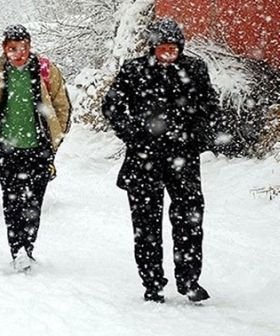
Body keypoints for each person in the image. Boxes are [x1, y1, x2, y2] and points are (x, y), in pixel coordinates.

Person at [101, 18, 217, 303]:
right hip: (143, 160)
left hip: (183, 158)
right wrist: (133, 133)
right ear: (152, 48)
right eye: (162, 48)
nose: (168, 53)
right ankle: (152, 282)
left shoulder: (195, 69)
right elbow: (112, 105)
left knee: (190, 220)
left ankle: (189, 280)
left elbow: (210, 105)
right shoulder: (134, 70)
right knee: (146, 226)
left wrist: (198, 134)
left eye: (173, 48)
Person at [0, 24, 71, 272]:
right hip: (6, 149)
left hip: (38, 147)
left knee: (35, 200)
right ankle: (18, 249)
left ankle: (29, 245)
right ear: (4, 49)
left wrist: (55, 137)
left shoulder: (46, 71)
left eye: (24, 47)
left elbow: (62, 104)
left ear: (30, 46)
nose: (19, 53)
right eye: (13, 48)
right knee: (12, 200)